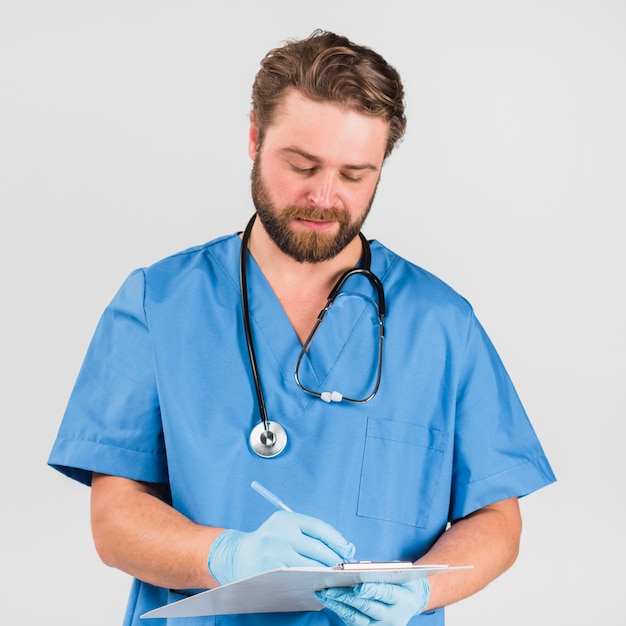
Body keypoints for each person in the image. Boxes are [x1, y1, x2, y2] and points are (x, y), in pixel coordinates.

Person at [48, 30, 555, 626]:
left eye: (354, 175)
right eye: (302, 165)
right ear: (255, 139)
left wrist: (423, 593)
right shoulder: (158, 303)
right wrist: (226, 554)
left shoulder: (441, 324)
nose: (324, 196)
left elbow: (496, 519)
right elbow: (114, 520)